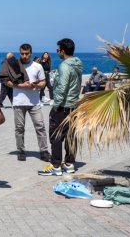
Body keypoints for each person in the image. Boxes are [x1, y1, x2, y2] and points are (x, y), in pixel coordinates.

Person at [39, 38, 83, 176]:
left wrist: (55, 106)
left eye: (58, 50)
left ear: (62, 51)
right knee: (70, 135)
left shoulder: (64, 66)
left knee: (56, 136)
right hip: (74, 105)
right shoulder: (78, 64)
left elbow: (62, 88)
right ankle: (69, 164)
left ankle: (56, 165)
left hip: (63, 106)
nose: (57, 52)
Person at [5, 44, 51, 162]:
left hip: (34, 102)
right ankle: (21, 150)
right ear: (20, 53)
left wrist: (34, 85)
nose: (24, 56)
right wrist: (21, 85)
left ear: (31, 53)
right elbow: (7, 82)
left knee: (40, 126)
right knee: (19, 128)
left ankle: (44, 151)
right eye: (22, 53)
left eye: (26, 53)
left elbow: (43, 83)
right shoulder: (14, 65)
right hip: (19, 102)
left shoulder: (37, 66)